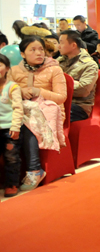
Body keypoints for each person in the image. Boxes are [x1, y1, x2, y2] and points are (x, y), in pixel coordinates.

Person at [9, 36, 68, 191]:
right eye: (33, 50)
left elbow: (61, 97)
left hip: (48, 113)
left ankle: (34, 170)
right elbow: (5, 93)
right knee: (13, 121)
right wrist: (20, 91)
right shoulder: (14, 71)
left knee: (28, 123)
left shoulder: (54, 69)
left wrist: (39, 91)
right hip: (20, 110)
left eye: (41, 49)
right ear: (22, 54)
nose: (38, 53)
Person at [57, 30, 99, 122]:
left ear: (73, 45)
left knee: (50, 115)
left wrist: (58, 85)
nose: (58, 46)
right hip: (60, 101)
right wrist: (72, 83)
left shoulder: (89, 64)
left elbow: (83, 90)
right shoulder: (60, 61)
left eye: (61, 43)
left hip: (79, 106)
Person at [0, 53, 23, 197]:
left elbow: (18, 108)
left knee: (11, 157)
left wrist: (15, 126)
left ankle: (12, 184)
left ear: (7, 68)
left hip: (9, 129)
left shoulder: (12, 87)